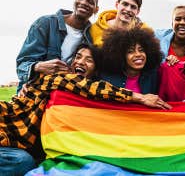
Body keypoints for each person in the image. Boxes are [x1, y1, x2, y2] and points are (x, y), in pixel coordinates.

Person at [1, 43, 171, 175]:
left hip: (15, 143)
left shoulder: (80, 96)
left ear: (96, 70)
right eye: (78, 57)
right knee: (23, 163)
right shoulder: (60, 78)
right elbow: (91, 87)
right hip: (5, 128)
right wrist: (140, 97)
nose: (80, 62)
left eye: (88, 60)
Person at [16, 0, 99, 94]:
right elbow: (22, 65)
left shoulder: (91, 36)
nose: (83, 2)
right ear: (75, 1)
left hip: (64, 94)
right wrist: (38, 67)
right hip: (33, 89)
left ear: (96, 9)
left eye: (90, 1)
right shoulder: (45, 23)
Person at [100, 27, 162, 94]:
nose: (138, 54)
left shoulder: (153, 75)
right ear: (121, 55)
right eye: (130, 51)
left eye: (141, 50)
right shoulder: (107, 77)